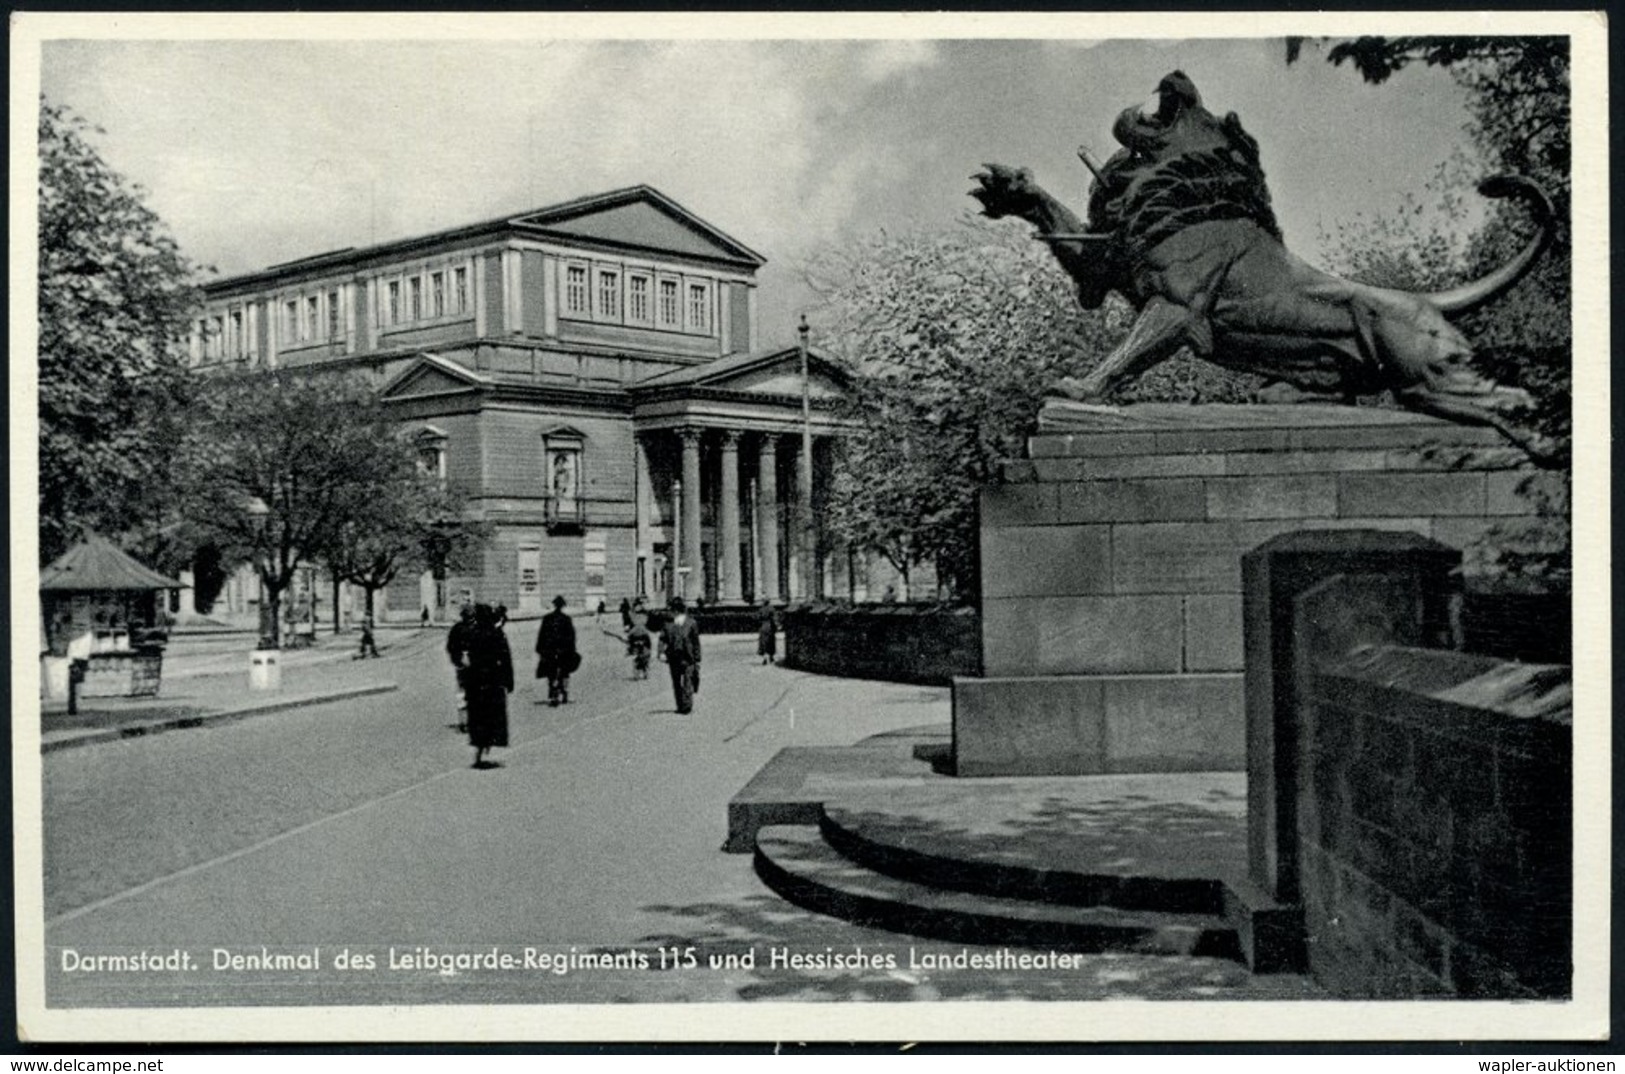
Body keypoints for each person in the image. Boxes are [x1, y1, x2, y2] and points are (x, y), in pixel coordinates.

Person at [463, 603, 513, 769]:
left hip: (476, 681)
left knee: (477, 714)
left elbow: (467, 659)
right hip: (493, 680)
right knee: (493, 715)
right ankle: (486, 744)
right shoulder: (497, 634)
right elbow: (505, 659)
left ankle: (479, 746)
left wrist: (466, 680)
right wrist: (509, 680)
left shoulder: (472, 634)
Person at [658, 596, 702, 715]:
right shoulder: (668, 624)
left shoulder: (691, 623)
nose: (672, 612)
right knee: (676, 682)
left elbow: (695, 642)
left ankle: (687, 705)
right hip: (674, 657)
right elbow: (662, 639)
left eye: (674, 610)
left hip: (688, 657)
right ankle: (680, 705)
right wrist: (661, 652)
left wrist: (697, 658)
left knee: (688, 681)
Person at [534, 595, 578, 706]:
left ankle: (552, 691)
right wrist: (571, 650)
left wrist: (540, 649)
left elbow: (542, 635)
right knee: (565, 672)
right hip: (563, 651)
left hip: (550, 651)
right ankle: (564, 691)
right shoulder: (566, 619)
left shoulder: (547, 618)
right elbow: (571, 636)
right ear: (562, 606)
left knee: (551, 672)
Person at [446, 603, 476, 732]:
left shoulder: (456, 628)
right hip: (476, 667)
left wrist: (457, 661)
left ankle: (463, 721)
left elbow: (450, 647)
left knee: (462, 693)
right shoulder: (477, 629)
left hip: (462, 667)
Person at [756, 598, 777, 665]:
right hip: (770, 627)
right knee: (770, 642)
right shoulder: (772, 609)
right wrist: (776, 626)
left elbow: (757, 618)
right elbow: (774, 619)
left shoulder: (761, 609)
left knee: (763, 642)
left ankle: (764, 658)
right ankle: (771, 657)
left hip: (763, 627)